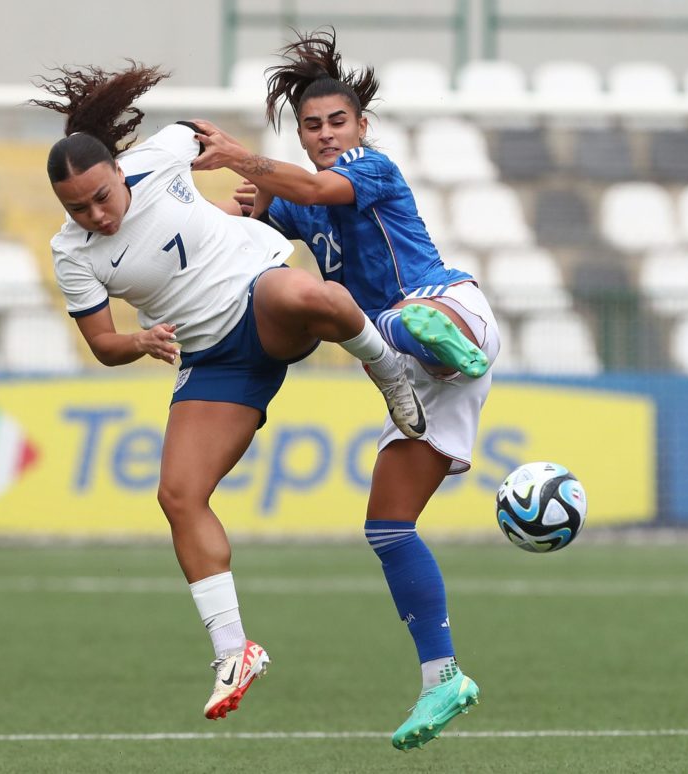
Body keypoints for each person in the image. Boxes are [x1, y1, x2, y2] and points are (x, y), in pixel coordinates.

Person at [31, 62, 428, 721]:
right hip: (212, 359)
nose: (96, 214)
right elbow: (102, 343)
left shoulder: (159, 158)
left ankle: (390, 374)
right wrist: (140, 341)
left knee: (304, 291)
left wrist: (238, 191)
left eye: (102, 195)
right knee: (178, 494)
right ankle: (234, 650)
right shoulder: (72, 253)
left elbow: (201, 135)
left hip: (260, 299)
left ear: (118, 172)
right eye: (79, 207)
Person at [191, 29, 501, 750]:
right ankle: (442, 679)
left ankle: (431, 333)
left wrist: (244, 159)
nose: (327, 134)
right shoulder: (297, 203)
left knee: (379, 316)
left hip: (450, 309)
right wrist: (241, 207)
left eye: (338, 121)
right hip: (417, 373)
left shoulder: (372, 167)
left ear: (361, 126)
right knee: (388, 527)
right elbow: (256, 222)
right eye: (313, 126)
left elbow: (320, 189)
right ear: (299, 133)